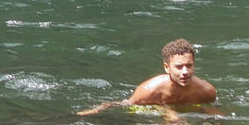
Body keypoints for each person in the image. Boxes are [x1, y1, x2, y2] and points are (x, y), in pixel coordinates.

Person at [75, 37, 216, 114]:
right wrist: (97, 109)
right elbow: (126, 105)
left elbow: (209, 109)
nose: (185, 72)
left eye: (189, 66)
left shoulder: (206, 91)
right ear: (167, 68)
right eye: (179, 67)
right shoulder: (149, 90)